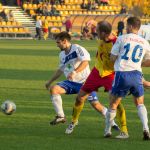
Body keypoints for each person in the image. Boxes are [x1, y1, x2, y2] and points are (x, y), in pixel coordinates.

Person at [65, 21, 127, 137]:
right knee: (80, 98)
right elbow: (99, 26)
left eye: (97, 31)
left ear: (104, 33)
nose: (95, 33)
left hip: (111, 74)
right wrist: (91, 24)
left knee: (116, 102)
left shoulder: (117, 43)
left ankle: (124, 128)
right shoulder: (103, 36)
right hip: (96, 72)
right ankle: (74, 121)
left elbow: (124, 62)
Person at [45, 31, 119, 129]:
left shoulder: (77, 48)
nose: (57, 45)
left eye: (58, 42)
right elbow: (60, 70)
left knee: (96, 105)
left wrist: (74, 72)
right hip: (71, 83)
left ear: (64, 41)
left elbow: (85, 62)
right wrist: (49, 82)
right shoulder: (62, 55)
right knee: (54, 89)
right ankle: (61, 116)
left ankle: (112, 122)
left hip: (85, 83)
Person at [104, 16, 150, 140]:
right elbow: (149, 61)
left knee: (113, 103)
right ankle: (146, 128)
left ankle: (107, 130)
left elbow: (113, 58)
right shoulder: (145, 42)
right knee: (140, 103)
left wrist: (113, 56)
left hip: (122, 74)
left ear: (129, 26)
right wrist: (138, 63)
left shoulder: (122, 38)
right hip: (136, 75)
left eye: (126, 26)